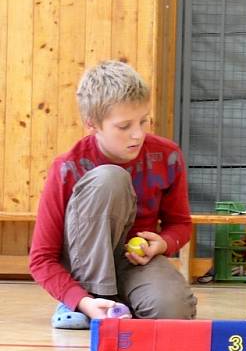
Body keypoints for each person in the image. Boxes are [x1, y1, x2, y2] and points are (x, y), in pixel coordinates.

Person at [29, 60, 197, 329]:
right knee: (110, 178)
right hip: (83, 266)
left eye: (144, 121)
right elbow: (41, 259)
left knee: (172, 311)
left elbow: (181, 225)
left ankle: (118, 302)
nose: (138, 134)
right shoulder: (68, 167)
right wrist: (81, 299)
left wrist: (163, 244)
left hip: (135, 262)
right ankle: (91, 298)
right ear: (92, 124)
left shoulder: (168, 156)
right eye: (124, 126)